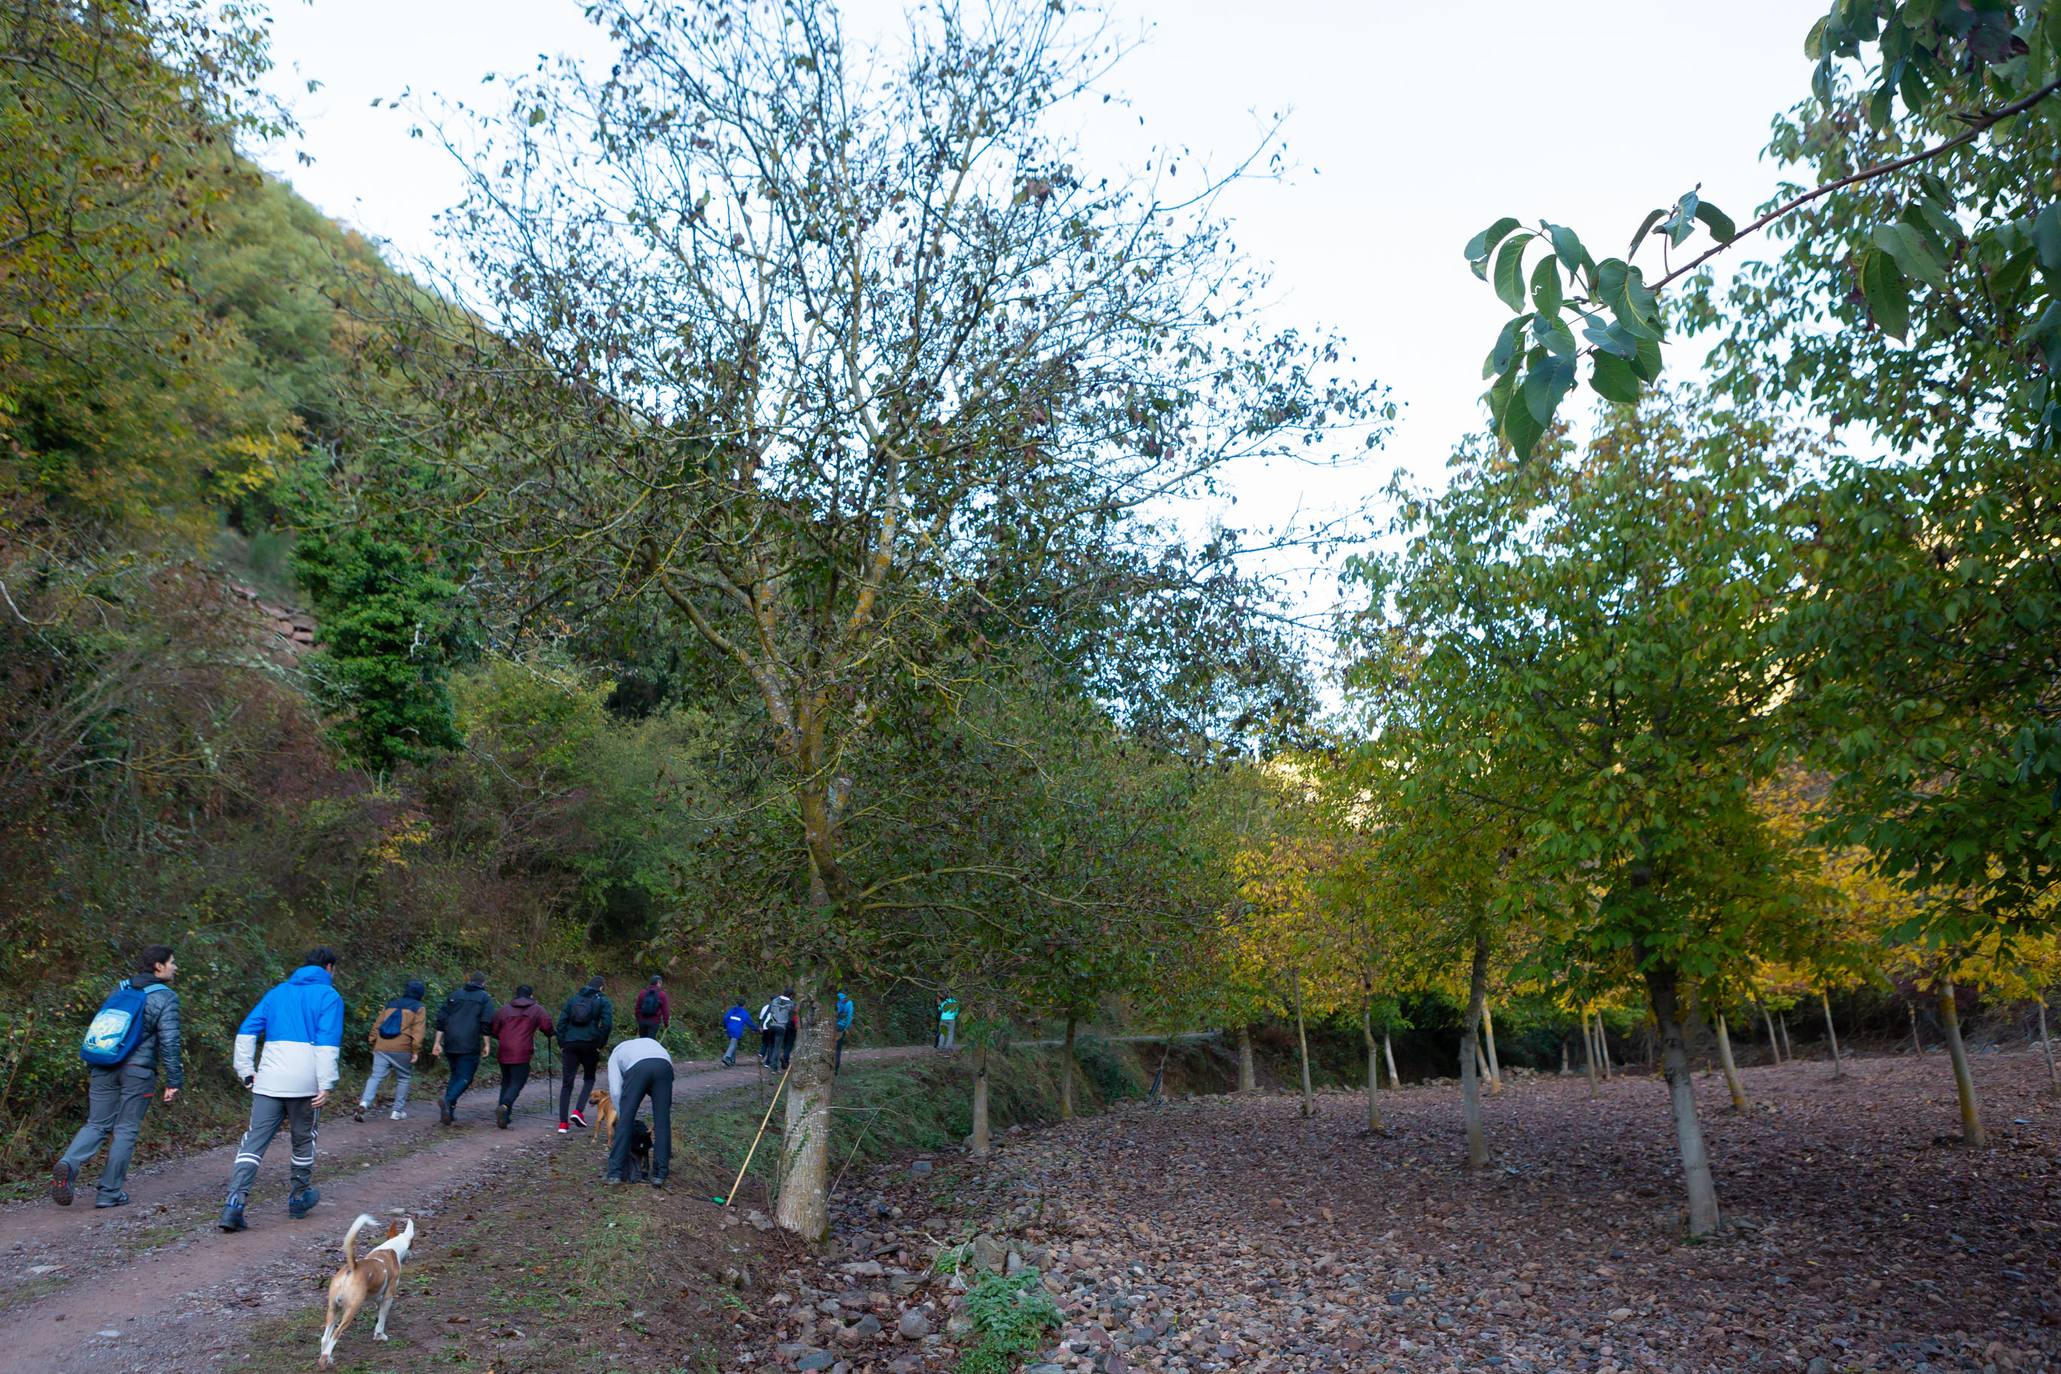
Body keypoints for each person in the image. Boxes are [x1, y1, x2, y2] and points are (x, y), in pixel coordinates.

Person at [219, 946, 344, 1232]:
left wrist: (246, 1070)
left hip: (269, 1080)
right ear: (329, 968)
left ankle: (234, 1204)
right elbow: (327, 1042)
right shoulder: (329, 996)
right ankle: (299, 1197)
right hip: (305, 1083)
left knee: (254, 1142)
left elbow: (246, 1030)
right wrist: (326, 1083)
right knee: (302, 1140)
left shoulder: (276, 993)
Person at [52, 943, 183, 1209]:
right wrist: (174, 1080)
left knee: (96, 1124)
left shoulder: (121, 988)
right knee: (125, 1129)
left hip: (103, 1065)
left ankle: (68, 1164)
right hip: (138, 1071)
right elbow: (170, 1042)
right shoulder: (165, 997)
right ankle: (109, 1193)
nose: (175, 967)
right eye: (172, 962)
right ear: (159, 966)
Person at [604, 1032, 673, 1188]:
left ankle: (615, 1173)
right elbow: (665, 1092)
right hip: (664, 1065)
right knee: (662, 1123)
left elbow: (615, 1091)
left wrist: (622, 1115)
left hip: (638, 1068)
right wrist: (662, 1112)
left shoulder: (615, 1054)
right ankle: (659, 1175)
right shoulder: (654, 1045)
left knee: (625, 1121)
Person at [431, 972, 497, 1126]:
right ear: (483, 983)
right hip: (469, 1042)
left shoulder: (455, 995)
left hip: (450, 1041)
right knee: (466, 1077)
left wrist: (437, 1042)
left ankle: (449, 1112)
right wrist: (487, 1044)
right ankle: (447, 1101)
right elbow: (486, 1022)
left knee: (455, 1075)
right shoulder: (484, 998)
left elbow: (441, 1019)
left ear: (469, 981)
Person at [356, 979, 425, 1122]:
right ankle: (396, 1112)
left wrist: (373, 1040)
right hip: (402, 1047)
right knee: (404, 1077)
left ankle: (364, 1103)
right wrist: (415, 1050)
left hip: (382, 1045)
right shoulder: (419, 1008)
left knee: (375, 1076)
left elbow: (377, 1024)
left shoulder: (390, 1004)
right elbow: (418, 1031)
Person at [487, 984, 555, 1129]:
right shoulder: (536, 1009)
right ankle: (505, 1106)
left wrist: (504, 1038)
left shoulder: (504, 1009)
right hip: (522, 1051)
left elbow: (494, 1029)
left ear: (516, 995)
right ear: (531, 995)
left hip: (504, 1050)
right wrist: (551, 1033)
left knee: (506, 1081)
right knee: (518, 1081)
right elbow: (547, 1026)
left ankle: (504, 1114)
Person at [557, 975, 613, 1133]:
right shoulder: (602, 1000)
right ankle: (578, 1111)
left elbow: (561, 1022)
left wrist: (562, 1042)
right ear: (601, 987)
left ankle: (562, 1124)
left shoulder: (574, 998)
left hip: (570, 1043)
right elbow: (607, 1024)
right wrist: (600, 1043)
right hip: (590, 1043)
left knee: (567, 1083)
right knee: (589, 1078)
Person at [758, 989, 796, 1070]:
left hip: (771, 1025)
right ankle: (774, 1066)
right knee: (777, 1048)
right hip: (781, 1026)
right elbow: (790, 1017)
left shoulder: (774, 1000)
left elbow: (768, 1012)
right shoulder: (791, 1004)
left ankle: (768, 1062)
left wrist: (761, 1025)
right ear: (791, 995)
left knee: (771, 1045)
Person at [634, 973, 670, 1039]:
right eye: (660, 983)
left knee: (641, 1042)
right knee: (650, 1043)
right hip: (654, 1022)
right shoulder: (662, 994)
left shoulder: (642, 993)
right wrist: (666, 1024)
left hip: (642, 1021)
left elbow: (637, 1008)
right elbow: (665, 1011)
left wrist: (638, 1019)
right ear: (658, 983)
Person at [720, 996, 752, 1067]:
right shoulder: (744, 1013)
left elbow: (725, 1018)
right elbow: (750, 1023)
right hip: (736, 1030)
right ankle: (726, 1057)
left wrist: (725, 1026)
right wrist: (756, 1029)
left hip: (729, 1029)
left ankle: (732, 1061)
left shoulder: (731, 1010)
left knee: (733, 1043)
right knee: (733, 1044)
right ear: (744, 1005)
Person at [834, 988, 855, 1074]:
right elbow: (849, 1017)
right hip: (841, 1027)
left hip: (830, 1025)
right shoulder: (848, 1002)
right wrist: (846, 1028)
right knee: (837, 1049)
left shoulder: (833, 998)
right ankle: (835, 1069)